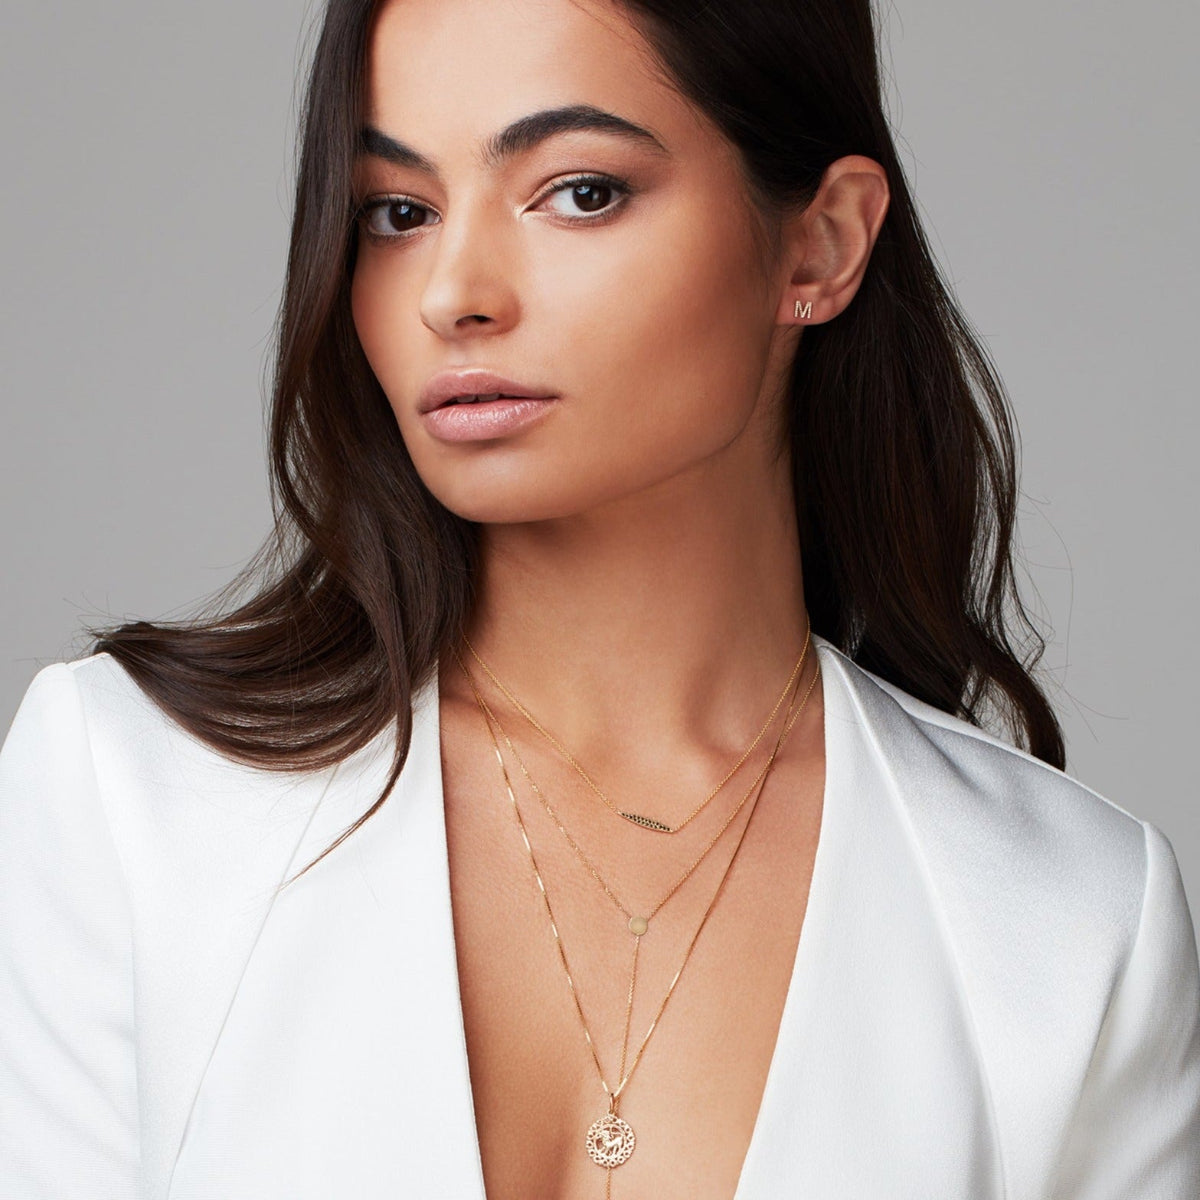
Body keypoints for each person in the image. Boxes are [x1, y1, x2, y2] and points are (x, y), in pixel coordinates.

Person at [2, 0, 1198, 1196]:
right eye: (399, 213)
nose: (453, 294)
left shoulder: (1073, 921)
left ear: (820, 246)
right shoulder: (128, 797)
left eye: (578, 192)